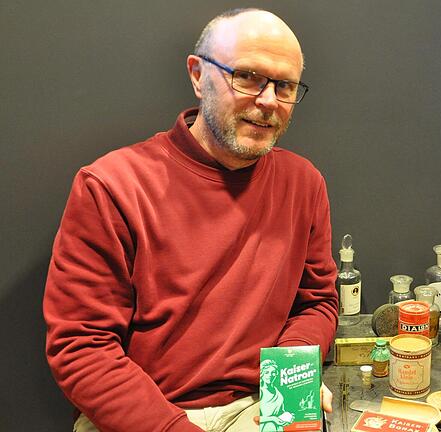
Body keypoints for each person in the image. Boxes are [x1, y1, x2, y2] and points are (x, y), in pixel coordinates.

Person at [43, 8, 337, 432]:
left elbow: (317, 302)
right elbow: (81, 348)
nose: (269, 100)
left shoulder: (303, 183)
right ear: (198, 76)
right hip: (143, 413)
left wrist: (291, 383)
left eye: (285, 85)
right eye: (249, 76)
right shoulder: (109, 186)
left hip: (258, 402)